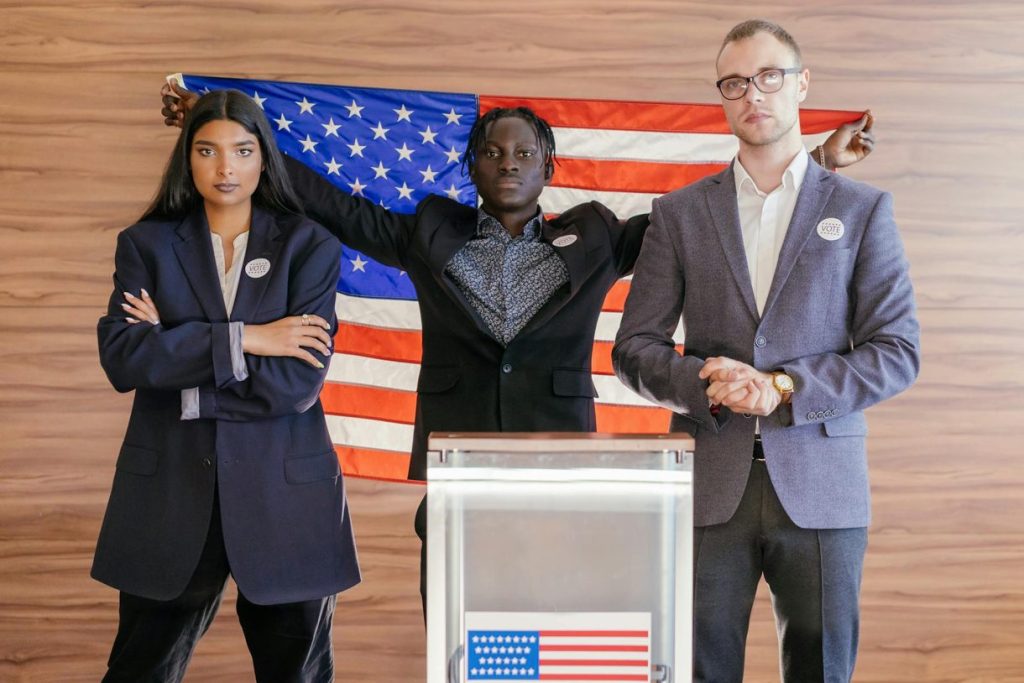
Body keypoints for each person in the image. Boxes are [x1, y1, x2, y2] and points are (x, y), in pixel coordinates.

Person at [160, 84, 876, 616]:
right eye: (493, 153)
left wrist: (816, 160)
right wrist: (239, 138)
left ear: (548, 167)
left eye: (524, 153)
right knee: (458, 628)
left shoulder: (596, 236)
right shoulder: (429, 231)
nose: (509, 163)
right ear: (471, 166)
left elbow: (706, 213)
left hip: (560, 465)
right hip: (458, 464)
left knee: (551, 629)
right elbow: (335, 207)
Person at [612, 19, 920, 682]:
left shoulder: (863, 209)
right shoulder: (679, 214)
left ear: (801, 84)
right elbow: (633, 347)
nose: (752, 93)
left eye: (769, 76)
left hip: (822, 486)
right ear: (721, 97)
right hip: (707, 485)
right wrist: (709, 383)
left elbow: (896, 350)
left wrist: (782, 386)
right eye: (734, 82)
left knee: (821, 670)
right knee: (695, 669)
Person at [94, 89, 360, 682]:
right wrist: (249, 339)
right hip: (170, 488)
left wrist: (178, 356)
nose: (225, 167)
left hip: (285, 493)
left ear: (264, 157)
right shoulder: (146, 244)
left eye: (242, 150)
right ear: (186, 159)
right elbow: (124, 359)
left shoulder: (309, 246)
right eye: (207, 150)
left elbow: (297, 383)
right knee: (140, 671)